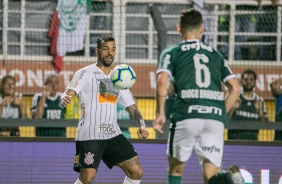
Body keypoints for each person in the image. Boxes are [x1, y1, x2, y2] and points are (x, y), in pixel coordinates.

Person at [152, 8, 244, 184]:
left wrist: (160, 113)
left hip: (187, 113)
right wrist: (220, 113)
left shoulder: (172, 52)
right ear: (202, 29)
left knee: (175, 169)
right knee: (211, 174)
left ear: (179, 28)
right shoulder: (216, 55)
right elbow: (235, 88)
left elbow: (162, 82)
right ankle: (228, 177)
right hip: (214, 116)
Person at [61, 34, 149, 184]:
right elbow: (70, 91)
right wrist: (66, 97)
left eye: (113, 49)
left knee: (136, 171)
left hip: (112, 134)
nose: (110, 53)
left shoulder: (118, 79)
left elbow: (133, 109)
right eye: (106, 49)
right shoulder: (86, 73)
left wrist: (142, 125)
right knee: (87, 178)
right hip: (90, 134)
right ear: (97, 51)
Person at [228, 69, 268, 140]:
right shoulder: (235, 98)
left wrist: (260, 111)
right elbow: (225, 120)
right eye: (246, 79)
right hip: (234, 142)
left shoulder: (260, 100)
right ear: (241, 82)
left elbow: (266, 125)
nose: (248, 82)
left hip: (252, 143)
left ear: (255, 82)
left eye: (251, 79)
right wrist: (233, 108)